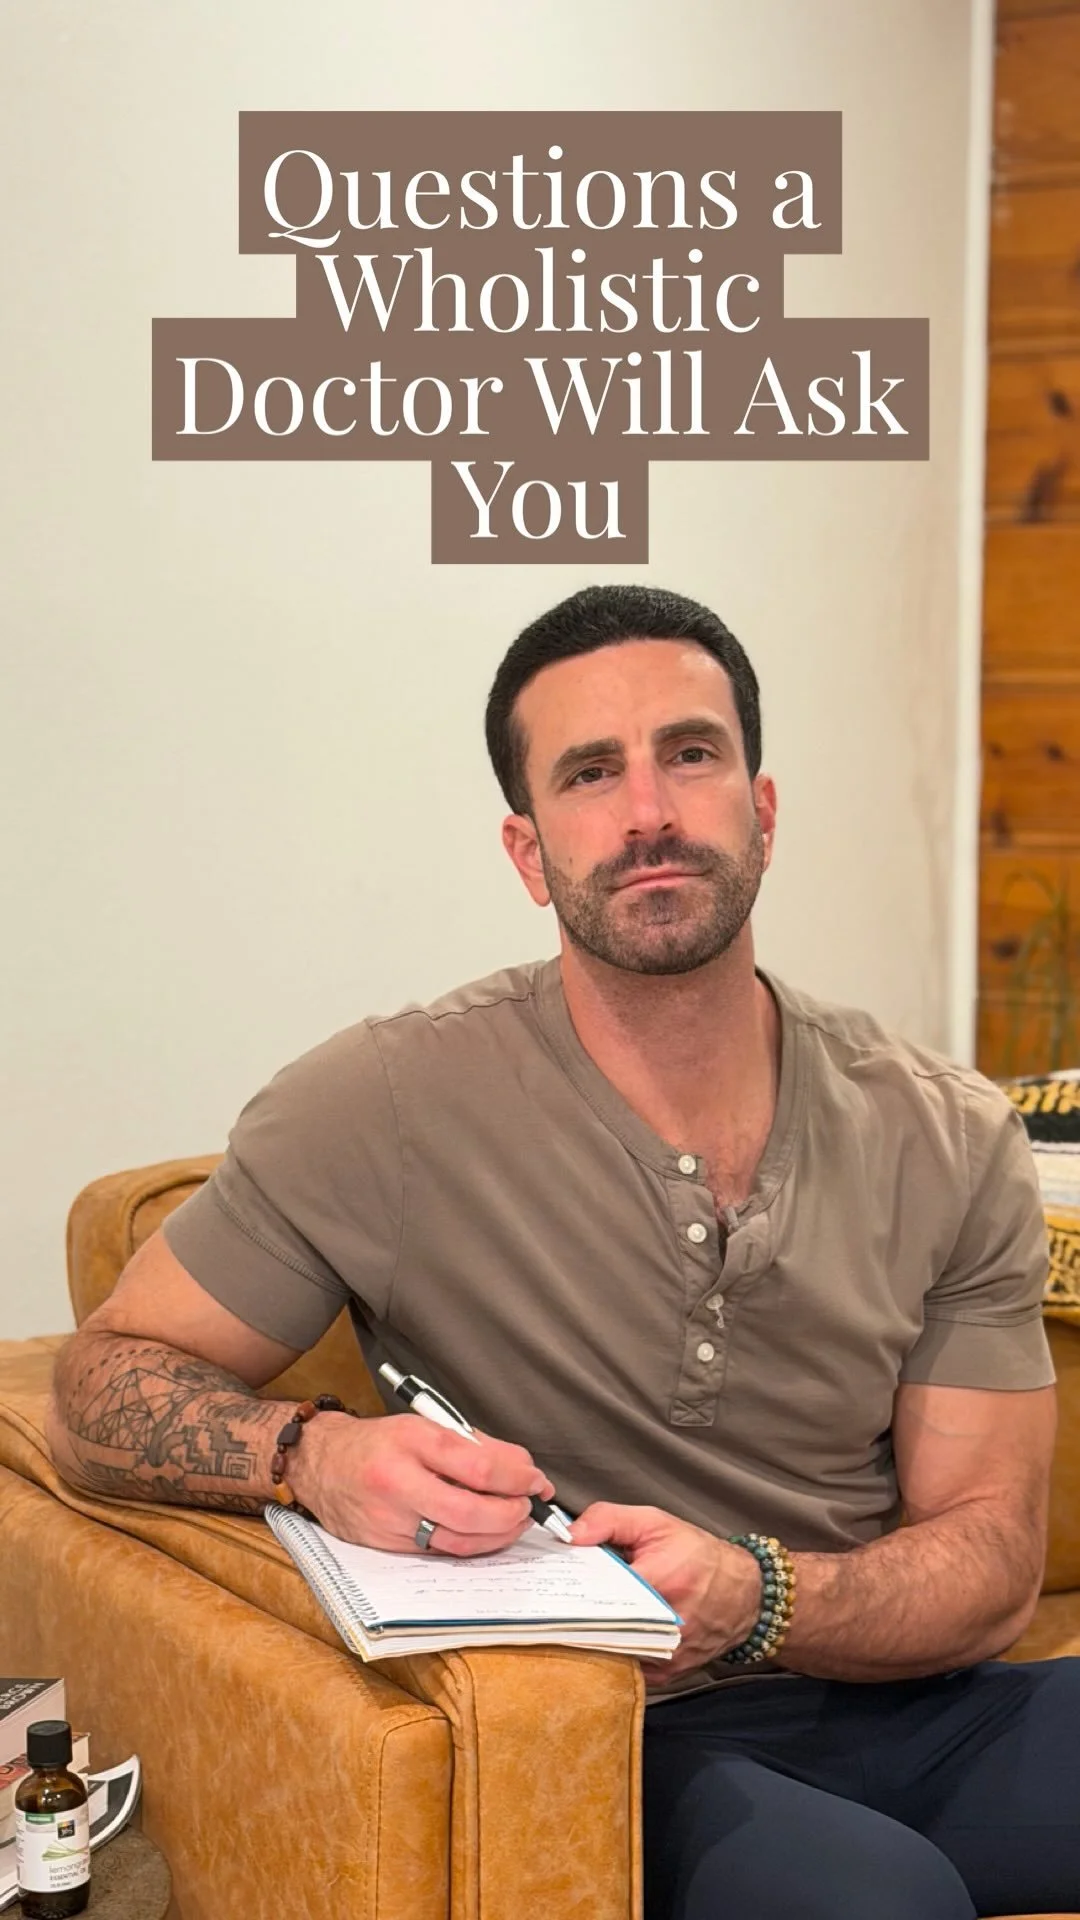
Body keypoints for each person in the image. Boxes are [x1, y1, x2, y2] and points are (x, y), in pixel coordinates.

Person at [47, 584, 1077, 1919]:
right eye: (591, 773)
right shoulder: (383, 1105)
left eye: (690, 753)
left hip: (915, 1699)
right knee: (877, 1899)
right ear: (528, 853)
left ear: (762, 813)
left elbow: (990, 1561)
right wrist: (312, 1455)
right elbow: (98, 1382)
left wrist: (758, 1595)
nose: (648, 811)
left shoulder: (948, 1131)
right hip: (610, 1731)